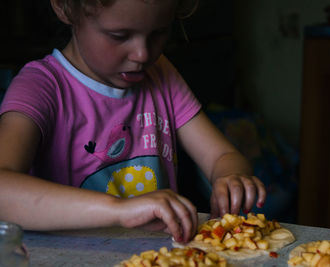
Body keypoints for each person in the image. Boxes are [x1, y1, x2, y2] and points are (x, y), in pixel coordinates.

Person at [0, 0, 266, 244]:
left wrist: (231, 176)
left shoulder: (161, 73)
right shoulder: (42, 87)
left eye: (159, 33)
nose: (142, 54)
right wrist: (119, 210)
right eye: (120, 36)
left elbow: (222, 154)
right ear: (64, 7)